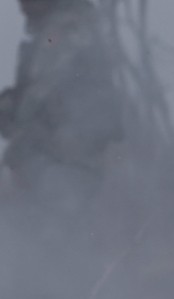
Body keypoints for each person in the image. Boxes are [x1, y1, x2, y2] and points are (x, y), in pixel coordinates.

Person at [0, 0, 122, 200]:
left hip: (69, 168)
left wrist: (13, 119)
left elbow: (35, 103)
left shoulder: (67, 29)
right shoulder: (51, 33)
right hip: (58, 165)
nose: (22, 5)